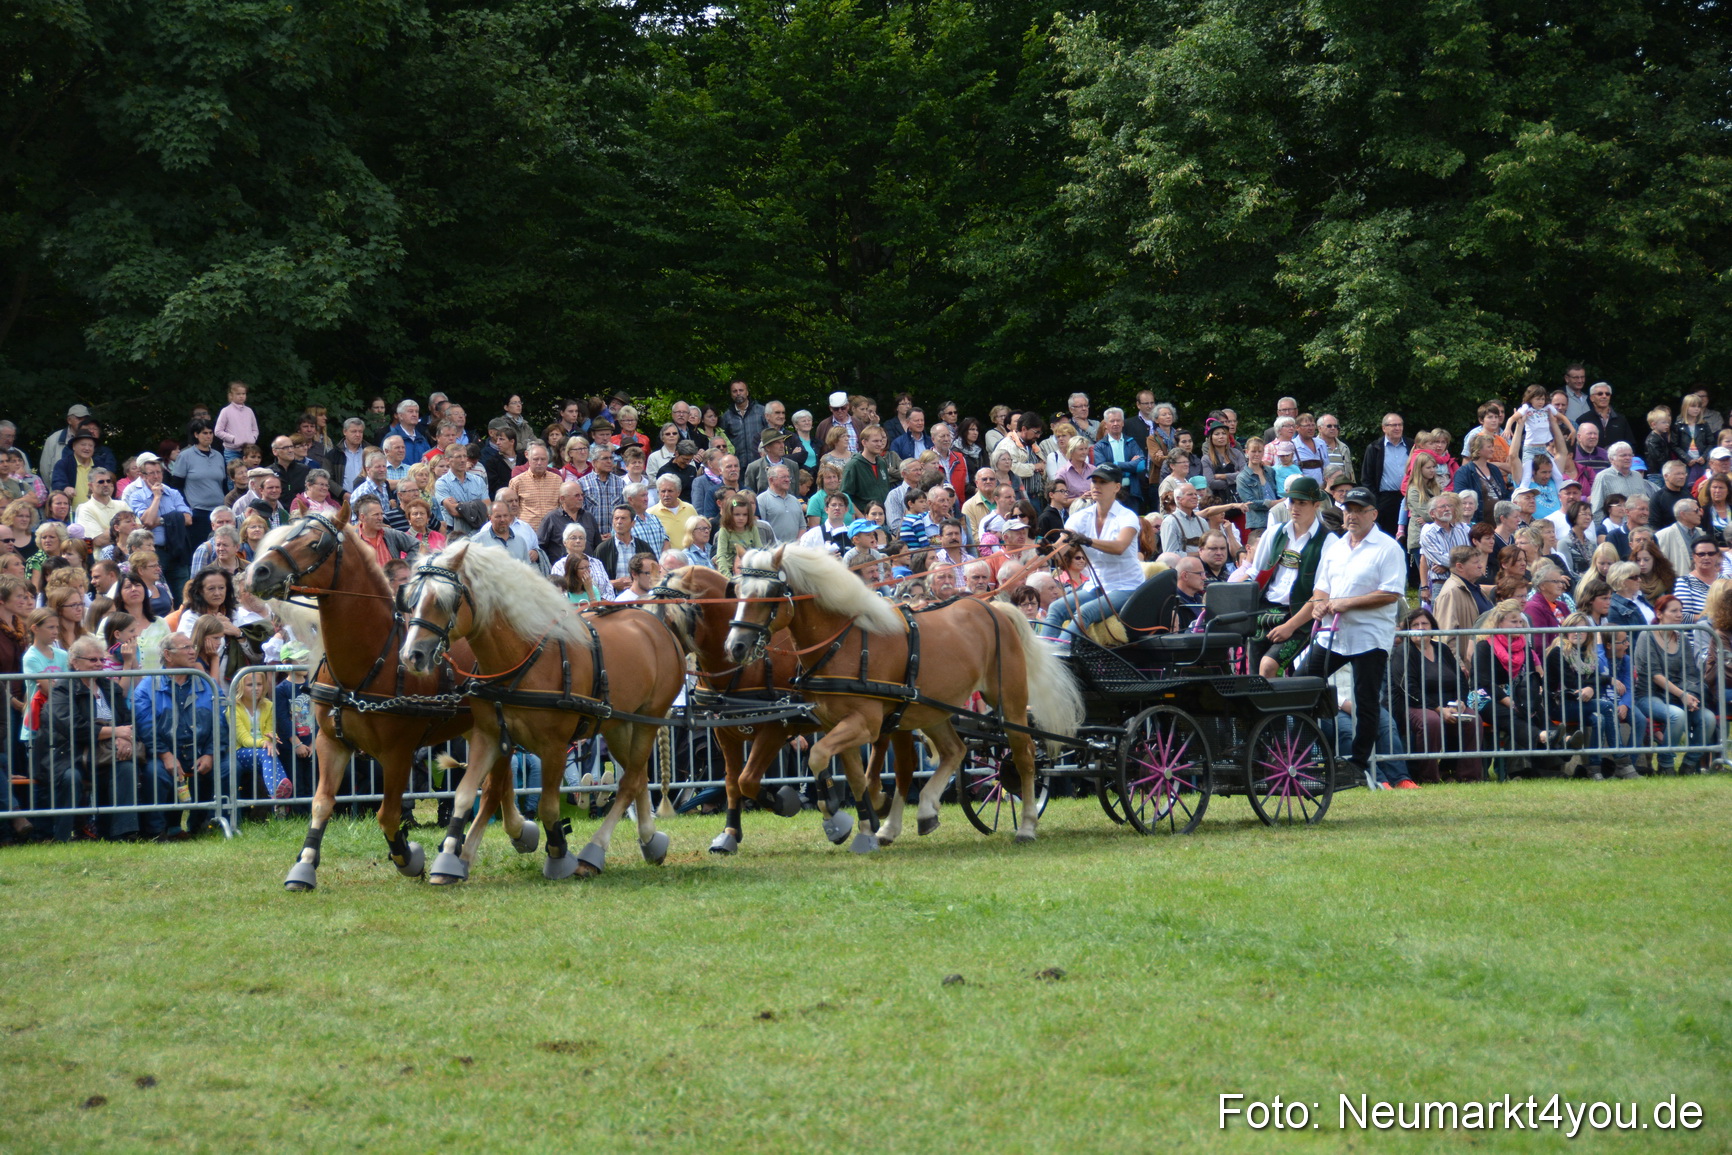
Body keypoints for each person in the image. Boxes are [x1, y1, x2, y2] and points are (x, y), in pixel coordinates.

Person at [1295, 486, 1406, 777]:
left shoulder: (1388, 548)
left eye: (1359, 510)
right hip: (1333, 635)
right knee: (1300, 683)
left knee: (1366, 701)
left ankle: (1357, 763)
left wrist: (1346, 603)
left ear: (1374, 514)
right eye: (1348, 510)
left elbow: (1391, 593)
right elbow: (1322, 587)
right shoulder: (1335, 546)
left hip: (1369, 636)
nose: (1352, 515)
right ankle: (1307, 751)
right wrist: (1319, 605)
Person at [1037, 466, 1142, 644]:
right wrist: (1049, 550)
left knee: (1084, 613)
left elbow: (1119, 547)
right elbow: (1061, 546)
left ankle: (1061, 653)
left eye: (1103, 482)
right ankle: (1042, 653)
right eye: (1094, 481)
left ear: (1117, 487)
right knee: (1056, 608)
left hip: (1126, 586)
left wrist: (1088, 541)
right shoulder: (1081, 517)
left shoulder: (1127, 516)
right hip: (1095, 586)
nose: (1096, 486)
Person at [133, 632, 221, 838]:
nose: (192, 652)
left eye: (193, 647)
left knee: (225, 768)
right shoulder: (147, 686)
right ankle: (157, 832)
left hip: (200, 751)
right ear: (168, 655)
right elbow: (145, 727)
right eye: (186, 648)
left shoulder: (207, 683)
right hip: (161, 754)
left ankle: (205, 827)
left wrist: (210, 753)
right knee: (156, 773)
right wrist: (165, 755)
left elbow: (221, 721)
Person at [1469, 600, 1570, 777]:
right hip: (1485, 697)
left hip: (1516, 693)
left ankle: (1561, 741)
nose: (1519, 625)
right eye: (1513, 621)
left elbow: (1531, 676)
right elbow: (1483, 682)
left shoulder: (1524, 647)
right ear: (1499, 622)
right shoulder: (1484, 646)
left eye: (1520, 622)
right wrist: (1510, 701)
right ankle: (1545, 738)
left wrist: (1532, 697)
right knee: (1512, 714)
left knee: (1536, 709)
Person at [1391, 606, 1483, 783]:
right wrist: (1438, 709)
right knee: (1431, 722)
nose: (1420, 628)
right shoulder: (1403, 651)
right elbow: (1408, 688)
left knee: (1473, 719)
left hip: (1449, 704)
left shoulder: (1442, 649)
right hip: (1416, 705)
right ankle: (1428, 777)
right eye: (1415, 625)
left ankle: (1468, 775)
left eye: (1424, 624)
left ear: (1432, 627)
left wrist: (1460, 701)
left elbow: (1460, 679)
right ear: (1407, 630)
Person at [1545, 612, 1638, 779]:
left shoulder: (1587, 654)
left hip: (1580, 702)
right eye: (1573, 628)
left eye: (1582, 629)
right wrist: (1603, 681)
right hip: (1559, 704)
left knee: (1599, 719)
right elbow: (1572, 682)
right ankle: (1623, 763)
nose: (1577, 633)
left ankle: (1594, 768)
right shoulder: (1558, 652)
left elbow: (1593, 682)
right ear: (1565, 631)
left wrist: (1592, 687)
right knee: (1608, 707)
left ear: (1588, 633)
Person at [1635, 595, 1717, 773]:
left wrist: (1691, 695)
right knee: (1677, 715)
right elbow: (1654, 675)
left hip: (1678, 696)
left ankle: (1689, 765)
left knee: (1708, 718)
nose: (1680, 615)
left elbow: (1690, 672)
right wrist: (1682, 695)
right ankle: (1665, 764)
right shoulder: (1646, 636)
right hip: (1649, 695)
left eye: (1681, 610)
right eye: (1674, 611)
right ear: (1659, 614)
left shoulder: (1682, 638)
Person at [232, 669, 292, 804]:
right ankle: (277, 795)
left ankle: (279, 799)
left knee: (271, 752)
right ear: (240, 687)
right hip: (240, 751)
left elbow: (269, 731)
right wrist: (264, 743)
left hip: (263, 748)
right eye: (250, 685)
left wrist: (272, 737)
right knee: (267, 753)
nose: (256, 688)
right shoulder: (233, 707)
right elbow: (244, 739)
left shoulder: (268, 705)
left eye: (259, 684)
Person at [549, 525, 611, 604]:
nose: (578, 541)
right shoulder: (559, 566)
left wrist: (602, 604)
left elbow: (609, 589)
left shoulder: (597, 563)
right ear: (565, 542)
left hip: (600, 606)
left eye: (581, 538)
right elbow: (558, 593)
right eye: (573, 538)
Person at [714, 497, 771, 576]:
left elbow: (759, 550)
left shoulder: (752, 529)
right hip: (729, 571)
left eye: (745, 515)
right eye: (737, 514)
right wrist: (728, 577)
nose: (741, 518)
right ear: (729, 515)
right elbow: (721, 556)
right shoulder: (724, 531)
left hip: (750, 569)